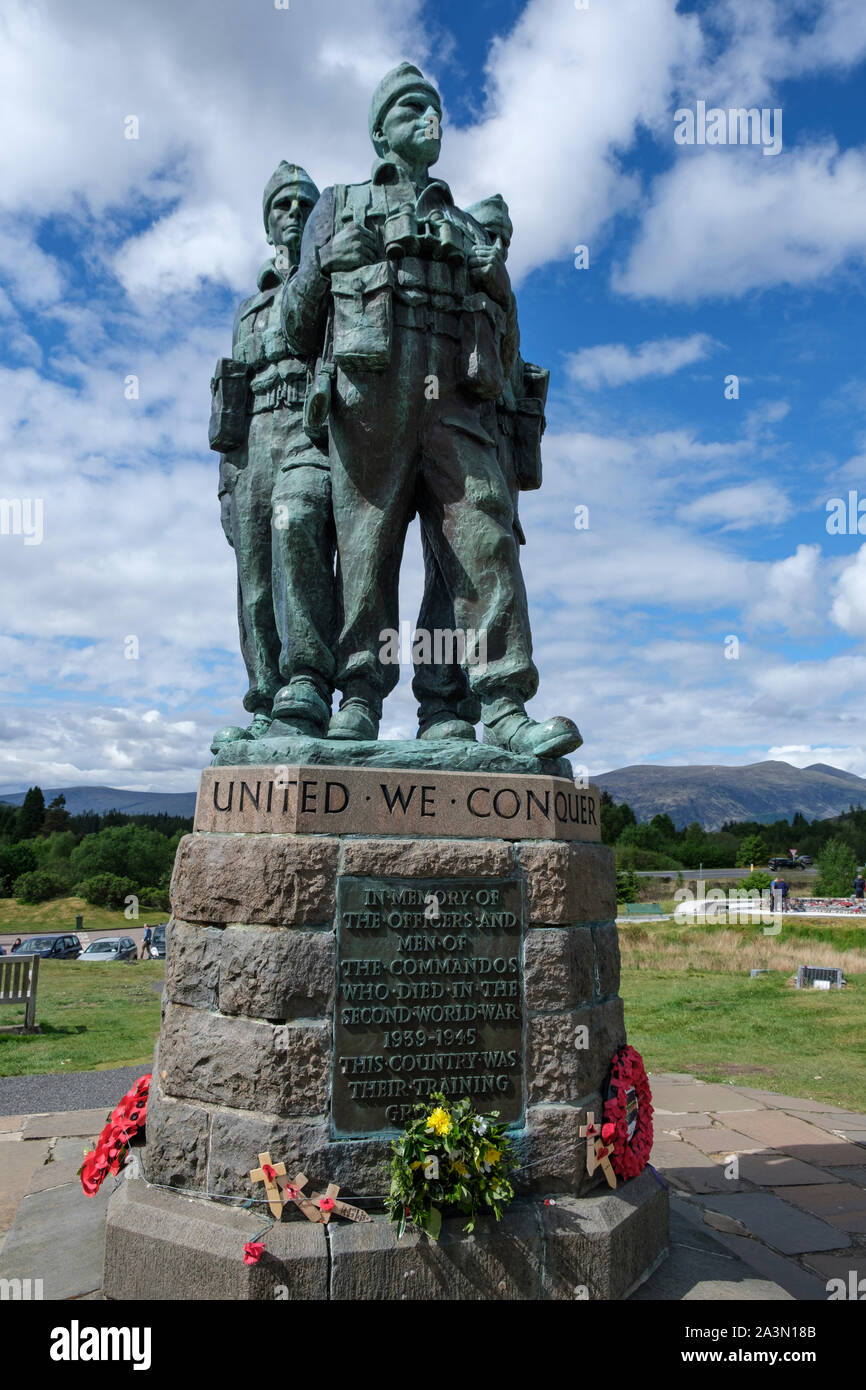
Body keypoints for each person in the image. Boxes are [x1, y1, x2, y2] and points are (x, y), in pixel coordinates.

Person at [282, 62, 580, 759]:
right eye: (412, 108)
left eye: (436, 110)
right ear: (381, 130)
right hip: (371, 394)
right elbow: (298, 331)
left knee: (484, 534)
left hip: (455, 399)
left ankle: (492, 703)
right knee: (366, 547)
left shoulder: (467, 225)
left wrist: (499, 291)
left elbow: (506, 360)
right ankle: (358, 695)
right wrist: (326, 261)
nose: (430, 120)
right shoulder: (338, 201)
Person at [211, 162, 337, 748]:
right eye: (281, 205)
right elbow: (228, 402)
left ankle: (308, 684)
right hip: (250, 446)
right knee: (254, 580)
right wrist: (225, 488)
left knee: (298, 527)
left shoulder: (331, 282)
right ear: (267, 224)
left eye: (303, 204)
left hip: (308, 431)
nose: (293, 213)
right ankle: (266, 698)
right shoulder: (245, 309)